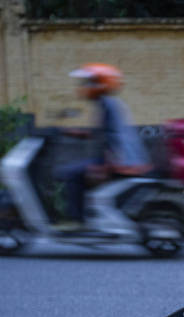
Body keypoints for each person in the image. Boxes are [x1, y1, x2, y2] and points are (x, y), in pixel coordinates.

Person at [53, 63, 151, 230]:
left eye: (89, 83)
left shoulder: (108, 105)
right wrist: (73, 133)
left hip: (120, 160)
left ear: (100, 85)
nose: (85, 87)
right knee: (74, 171)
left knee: (69, 174)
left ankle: (76, 220)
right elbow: (103, 133)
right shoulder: (109, 103)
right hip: (121, 158)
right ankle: (86, 215)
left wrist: (105, 166)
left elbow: (113, 137)